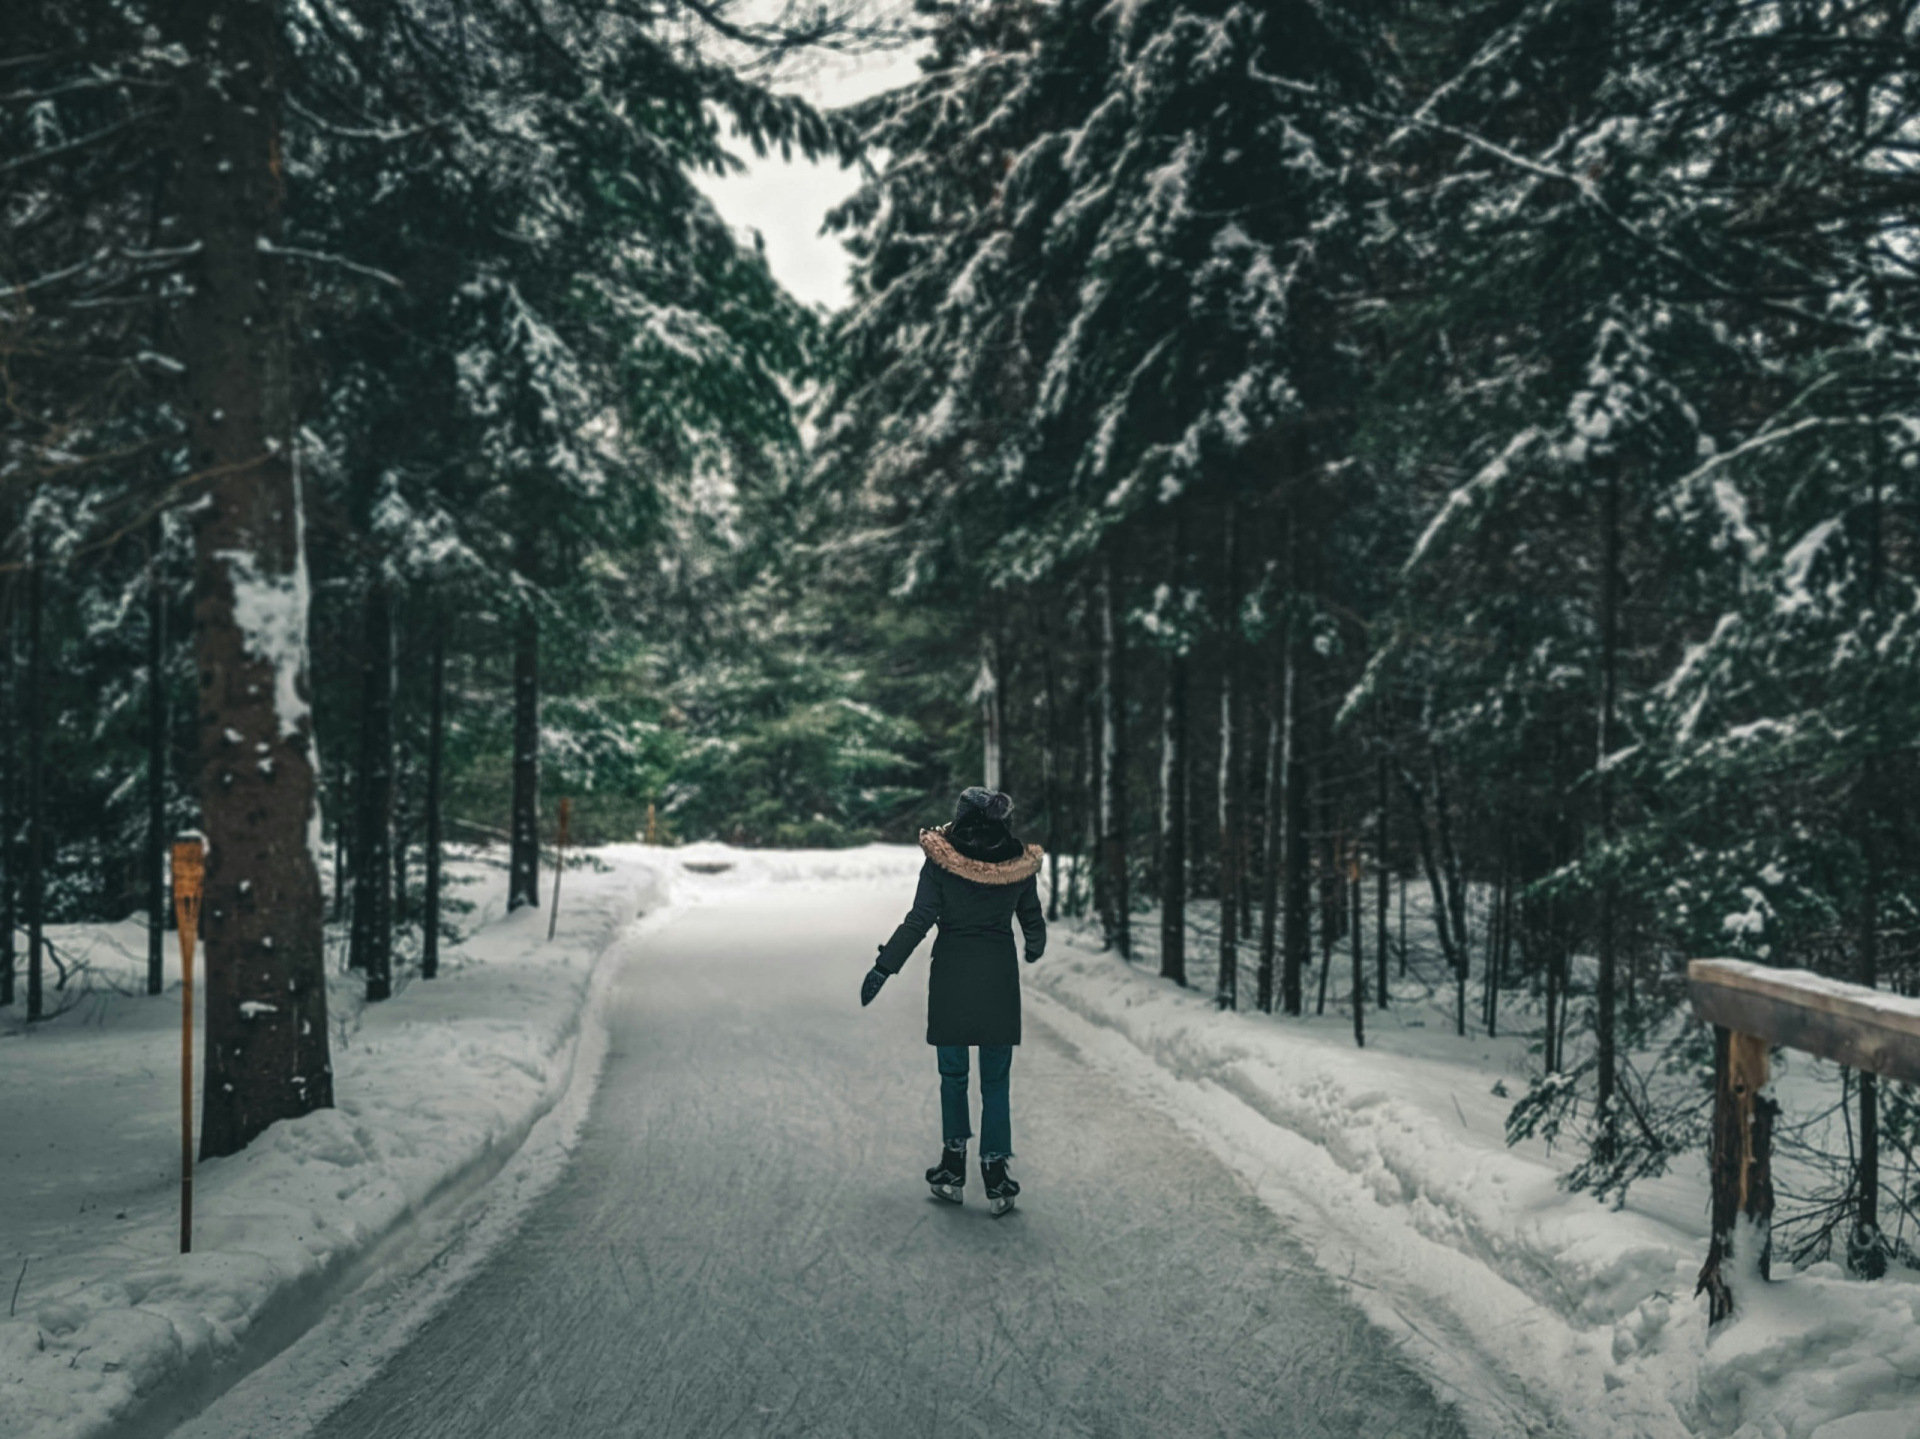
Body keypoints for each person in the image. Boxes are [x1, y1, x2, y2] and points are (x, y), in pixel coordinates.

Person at [860, 786, 1046, 1215]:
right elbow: (1031, 918)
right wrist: (1034, 946)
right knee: (996, 1080)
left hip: (951, 977)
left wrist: (884, 967)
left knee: (954, 1076)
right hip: (999, 977)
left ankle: (952, 1165)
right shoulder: (1018, 864)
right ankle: (996, 1172)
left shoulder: (940, 863)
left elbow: (919, 919)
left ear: (962, 817)